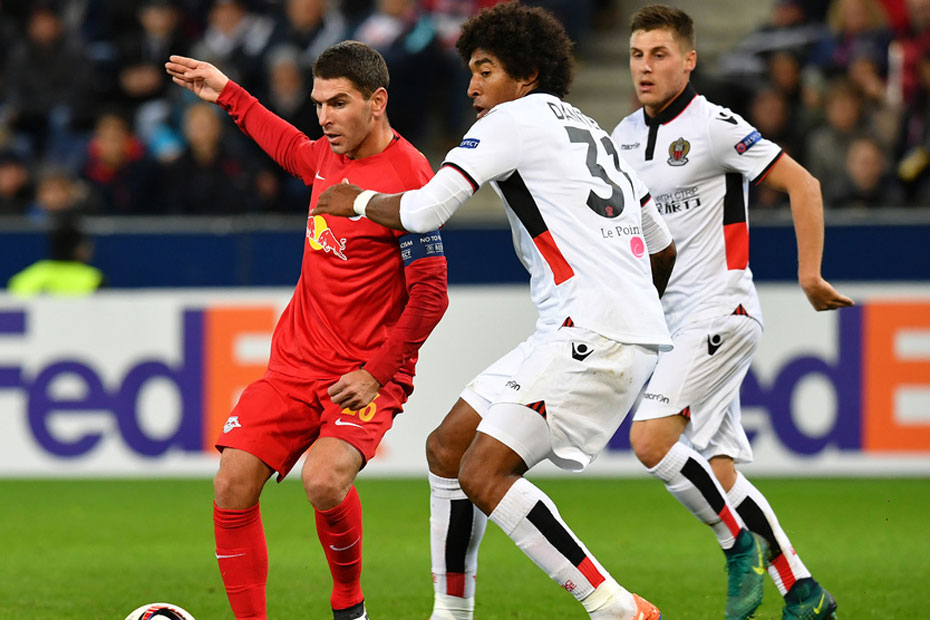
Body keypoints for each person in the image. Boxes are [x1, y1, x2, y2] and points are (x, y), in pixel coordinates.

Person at [314, 4, 674, 619]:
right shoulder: (596, 133)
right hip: (590, 325)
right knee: (448, 448)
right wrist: (632, 311)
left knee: (485, 473)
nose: (473, 85)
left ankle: (613, 606)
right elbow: (661, 248)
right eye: (470, 71)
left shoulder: (513, 121)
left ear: (527, 75)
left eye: (486, 69)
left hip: (588, 327)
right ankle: (451, 614)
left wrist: (355, 198)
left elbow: (427, 210)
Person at [164, 40, 449, 620]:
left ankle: (349, 602)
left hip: (365, 372)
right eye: (319, 103)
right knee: (231, 484)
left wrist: (376, 373)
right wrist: (226, 93)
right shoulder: (325, 156)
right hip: (295, 363)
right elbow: (288, 144)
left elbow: (430, 294)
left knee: (323, 482)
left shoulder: (412, 179)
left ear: (378, 102)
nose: (324, 118)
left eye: (338, 103)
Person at [610, 6, 853, 620]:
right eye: (638, 54)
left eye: (660, 54)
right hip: (674, 325)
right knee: (717, 473)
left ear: (688, 60)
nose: (646, 66)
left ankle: (737, 547)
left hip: (721, 308)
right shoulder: (621, 139)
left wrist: (809, 275)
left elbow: (805, 185)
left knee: (649, 439)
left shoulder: (717, 126)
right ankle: (802, 591)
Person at [8, 217, 104, 296]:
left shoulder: (32, 274)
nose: (90, 249)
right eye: (86, 245)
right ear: (77, 249)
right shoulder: (93, 278)